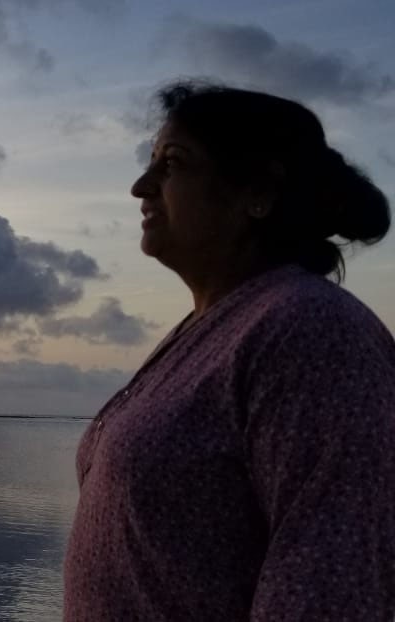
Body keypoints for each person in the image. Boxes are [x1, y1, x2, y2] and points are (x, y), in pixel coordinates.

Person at [63, 81, 395, 621]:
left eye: (172, 163)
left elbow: (334, 582)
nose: (140, 186)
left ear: (256, 193)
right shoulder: (218, 326)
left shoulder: (309, 330)